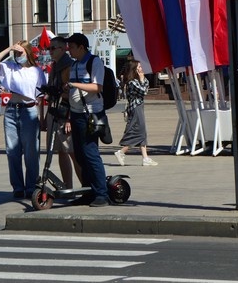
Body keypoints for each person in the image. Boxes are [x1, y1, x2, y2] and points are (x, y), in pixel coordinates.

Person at [0, 39, 47, 199]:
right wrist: (10, 48)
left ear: (28, 53)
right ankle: (17, 187)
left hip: (29, 111)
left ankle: (31, 186)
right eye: (15, 53)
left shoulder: (37, 71)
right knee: (12, 151)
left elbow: (41, 97)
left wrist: (42, 118)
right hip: (11, 111)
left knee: (31, 152)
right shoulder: (10, 67)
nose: (17, 55)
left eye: (20, 52)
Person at [65, 32, 110, 207]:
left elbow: (97, 86)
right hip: (76, 114)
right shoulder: (75, 64)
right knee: (80, 155)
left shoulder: (94, 62)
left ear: (82, 47)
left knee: (91, 154)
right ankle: (88, 191)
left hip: (90, 114)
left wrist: (74, 85)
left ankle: (101, 194)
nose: (69, 51)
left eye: (72, 47)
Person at [46, 36, 82, 188]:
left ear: (63, 49)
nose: (50, 51)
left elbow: (73, 95)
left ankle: (87, 186)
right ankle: (68, 186)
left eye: (53, 48)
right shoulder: (55, 66)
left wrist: (69, 119)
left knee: (72, 152)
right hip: (55, 113)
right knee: (61, 151)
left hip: (65, 114)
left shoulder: (68, 66)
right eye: (49, 48)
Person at [114, 60, 156, 166]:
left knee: (143, 131)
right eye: (139, 67)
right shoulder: (132, 82)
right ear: (135, 69)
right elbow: (144, 91)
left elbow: (146, 85)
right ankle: (121, 152)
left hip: (139, 107)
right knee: (139, 132)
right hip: (135, 108)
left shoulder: (137, 80)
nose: (141, 68)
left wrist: (142, 79)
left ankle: (145, 158)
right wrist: (142, 79)